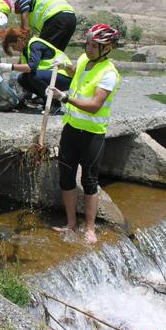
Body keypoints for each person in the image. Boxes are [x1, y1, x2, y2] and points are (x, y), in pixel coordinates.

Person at [45, 24, 122, 244]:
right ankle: (71, 224)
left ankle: (90, 228)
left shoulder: (109, 73)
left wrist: (64, 97)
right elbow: (74, 71)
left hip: (92, 135)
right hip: (71, 130)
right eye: (87, 43)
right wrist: (64, 65)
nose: (88, 48)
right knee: (66, 178)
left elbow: (95, 105)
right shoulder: (85, 60)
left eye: (93, 45)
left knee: (89, 181)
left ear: (107, 48)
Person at [0, 27, 72, 111]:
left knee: (33, 76)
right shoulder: (25, 51)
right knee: (22, 78)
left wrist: (7, 66)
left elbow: (31, 67)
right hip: (51, 75)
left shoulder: (35, 45)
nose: (14, 49)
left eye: (13, 46)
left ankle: (54, 103)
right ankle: (45, 99)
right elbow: (21, 71)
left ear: (19, 40)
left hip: (64, 75)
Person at [11, 0, 76, 51]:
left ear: (17, 4)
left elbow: (24, 30)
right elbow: (30, 36)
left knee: (42, 52)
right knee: (56, 53)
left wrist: (21, 45)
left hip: (56, 17)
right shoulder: (36, 2)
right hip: (72, 18)